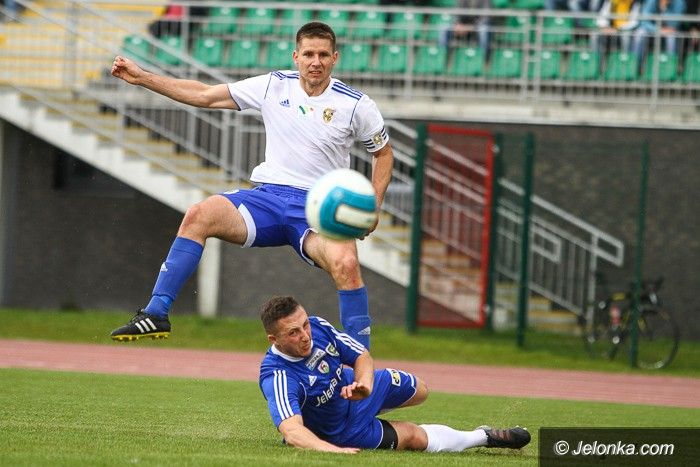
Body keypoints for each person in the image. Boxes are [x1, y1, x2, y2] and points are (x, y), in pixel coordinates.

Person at [109, 22, 394, 348]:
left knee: (347, 264)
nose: (316, 62)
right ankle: (156, 312)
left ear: (335, 58)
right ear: (296, 56)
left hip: (318, 208)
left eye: (323, 55)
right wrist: (143, 77)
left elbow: (383, 153)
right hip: (268, 199)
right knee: (199, 215)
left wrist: (374, 204)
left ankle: (360, 362)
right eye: (308, 54)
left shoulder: (356, 104)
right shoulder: (274, 85)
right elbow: (205, 95)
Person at [258, 295, 531, 453]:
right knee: (412, 436)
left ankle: (373, 406)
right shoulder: (278, 375)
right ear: (274, 339)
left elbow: (361, 356)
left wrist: (365, 384)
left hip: (354, 389)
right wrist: (331, 450)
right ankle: (484, 437)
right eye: (293, 332)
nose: (305, 335)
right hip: (342, 431)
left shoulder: (318, 326)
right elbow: (291, 430)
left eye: (304, 325)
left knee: (421, 390)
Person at [632, 0, 686, 65]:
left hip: (671, 31)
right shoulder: (651, 1)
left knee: (671, 37)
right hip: (654, 29)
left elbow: (674, 24)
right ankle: (635, 64)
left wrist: (664, 8)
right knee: (639, 33)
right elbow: (644, 22)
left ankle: (671, 65)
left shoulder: (679, 2)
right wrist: (659, 30)